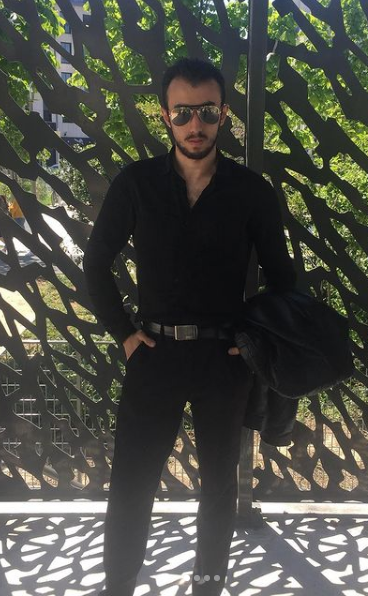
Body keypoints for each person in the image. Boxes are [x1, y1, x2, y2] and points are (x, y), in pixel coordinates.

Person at [83, 57, 297, 596]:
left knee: (219, 486)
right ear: (165, 116)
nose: (194, 124)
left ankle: (206, 587)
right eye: (182, 113)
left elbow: (283, 280)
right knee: (132, 481)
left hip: (224, 361)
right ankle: (118, 585)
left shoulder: (251, 191)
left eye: (206, 111)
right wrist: (124, 333)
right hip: (152, 354)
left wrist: (254, 341)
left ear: (223, 114)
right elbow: (96, 261)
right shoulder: (135, 185)